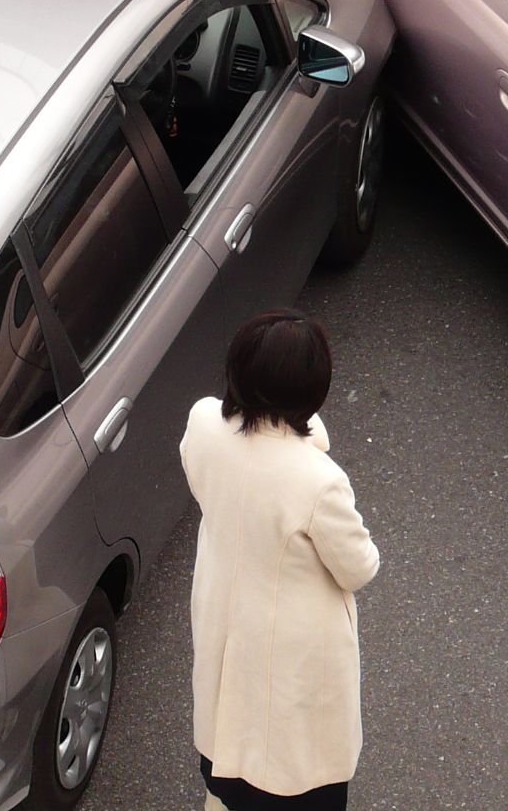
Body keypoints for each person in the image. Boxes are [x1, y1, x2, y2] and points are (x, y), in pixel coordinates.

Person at [181, 310, 381, 811]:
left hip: (227, 635)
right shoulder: (318, 480)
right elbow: (359, 567)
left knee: (227, 764)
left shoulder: (205, 424)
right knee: (291, 773)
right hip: (290, 668)